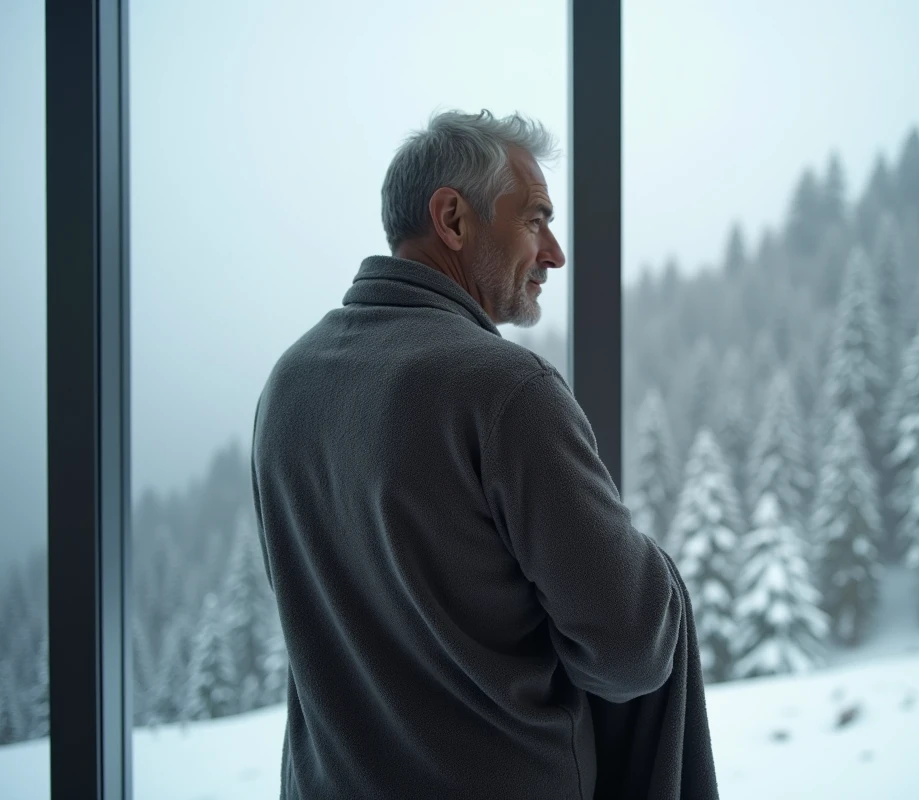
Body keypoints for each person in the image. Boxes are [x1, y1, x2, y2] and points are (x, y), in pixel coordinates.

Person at [251, 110, 703, 799]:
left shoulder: (289, 382)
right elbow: (632, 652)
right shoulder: (506, 392)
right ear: (454, 219)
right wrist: (652, 572)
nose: (553, 252)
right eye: (534, 220)